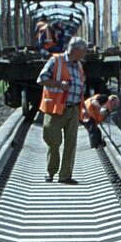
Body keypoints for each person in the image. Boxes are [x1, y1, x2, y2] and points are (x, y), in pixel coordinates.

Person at [36, 37, 89, 185]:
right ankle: (51, 170)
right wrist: (60, 85)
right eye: (83, 51)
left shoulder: (78, 65)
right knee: (53, 141)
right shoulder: (56, 61)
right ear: (76, 50)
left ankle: (65, 176)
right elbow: (41, 79)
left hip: (73, 108)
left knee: (71, 143)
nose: (84, 54)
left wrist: (82, 107)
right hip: (56, 108)